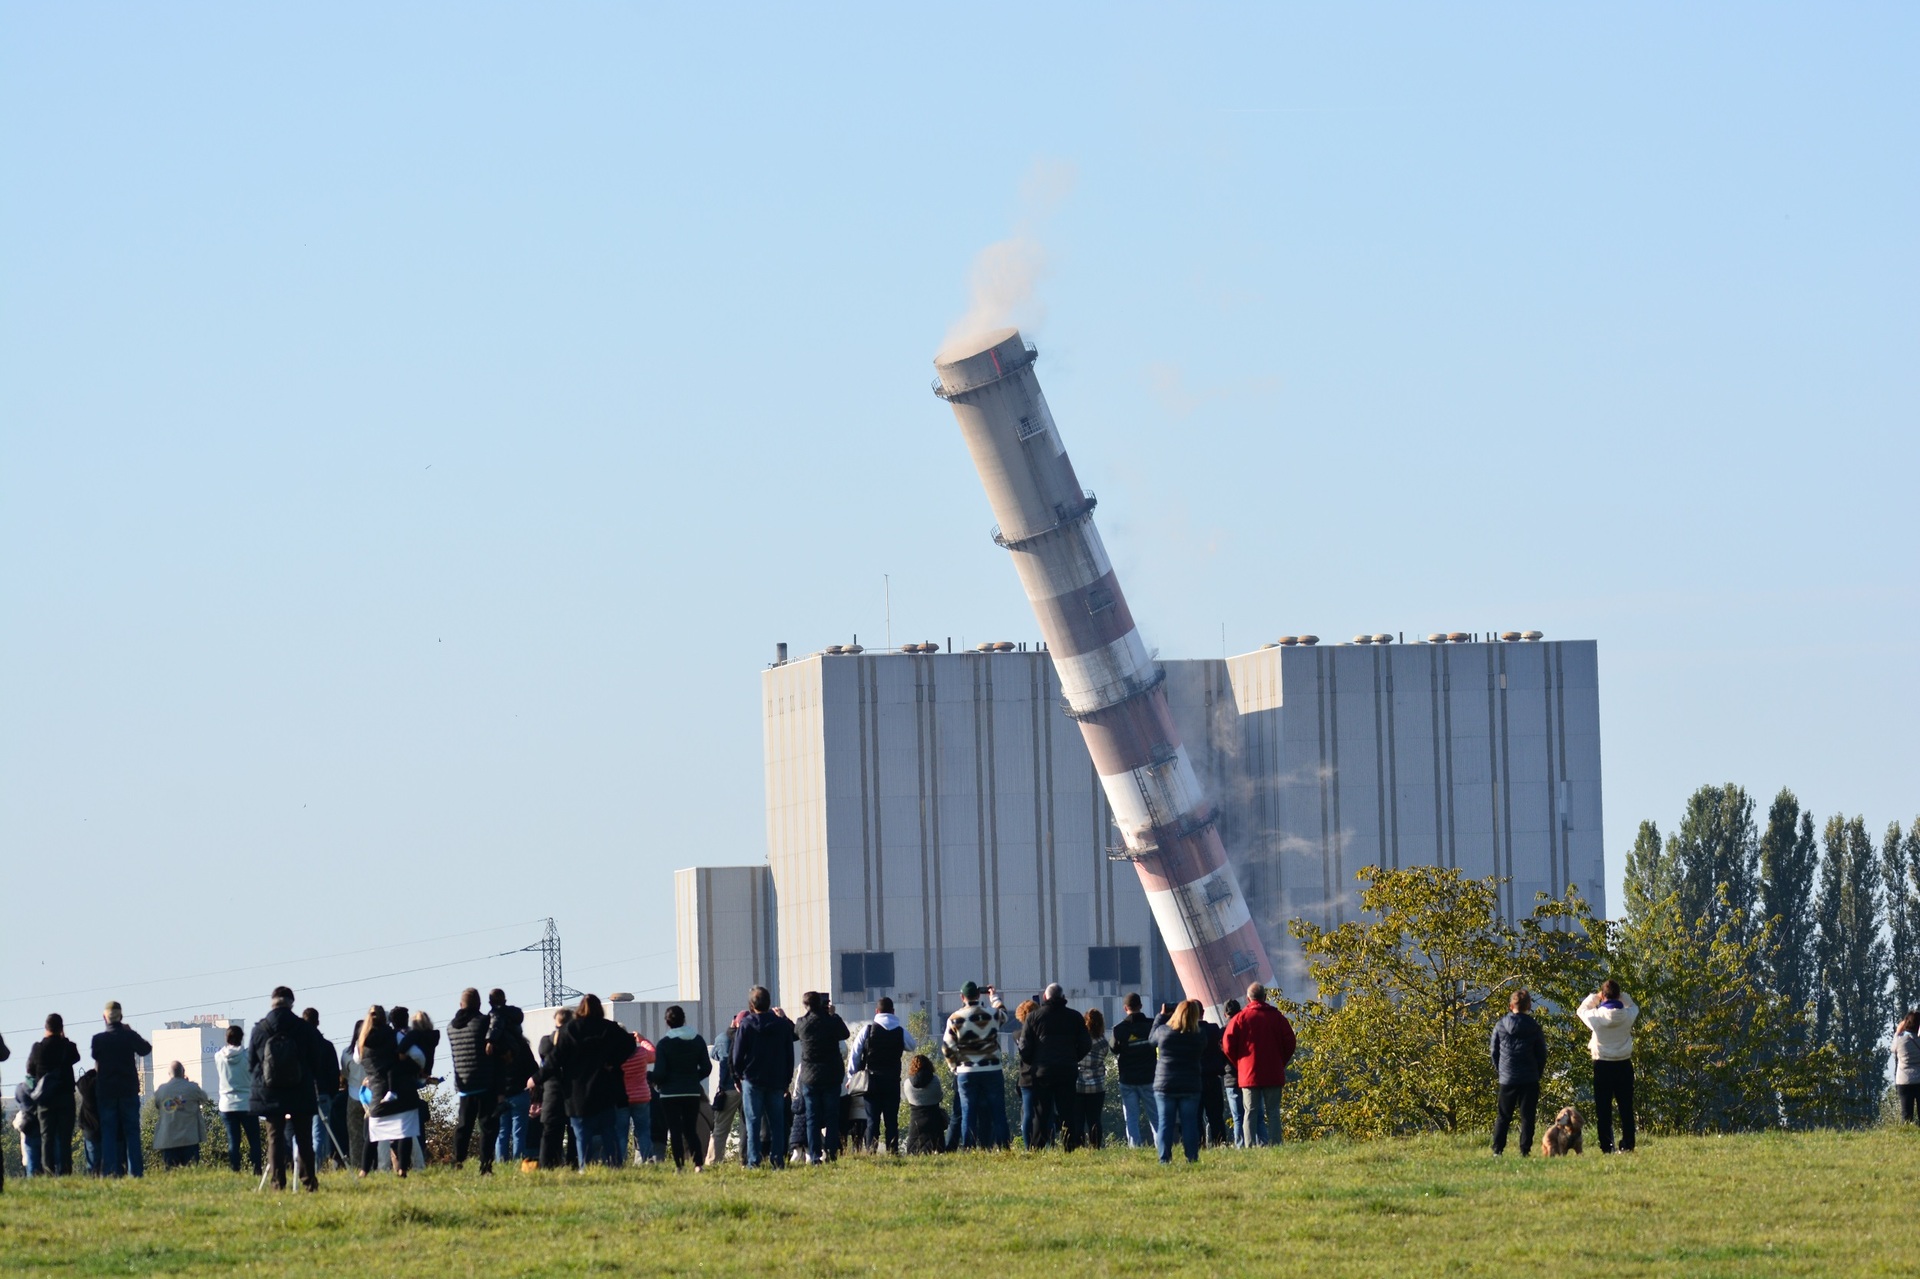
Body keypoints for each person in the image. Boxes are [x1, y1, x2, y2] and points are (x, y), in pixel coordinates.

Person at [548, 994, 634, 1169]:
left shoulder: (570, 1030)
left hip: (577, 1091)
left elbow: (554, 1060)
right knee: (609, 1132)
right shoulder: (609, 1028)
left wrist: (536, 1078)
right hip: (604, 1088)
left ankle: (583, 1166)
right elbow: (630, 1044)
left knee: (582, 1134)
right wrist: (613, 1061)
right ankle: (615, 1165)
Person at [249, 985, 322, 1191]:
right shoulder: (304, 1028)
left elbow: (252, 1064)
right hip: (300, 1090)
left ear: (272, 1002)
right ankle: (309, 1184)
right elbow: (316, 1061)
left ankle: (277, 1183)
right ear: (292, 1003)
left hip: (270, 1093)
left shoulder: (260, 1029)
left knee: (275, 1139)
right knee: (304, 1139)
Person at [1222, 983, 1296, 1146]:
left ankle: (1249, 1146)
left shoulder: (1240, 1019)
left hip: (1249, 1074)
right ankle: (1276, 1144)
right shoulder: (1277, 1017)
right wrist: (1280, 1061)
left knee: (1250, 1112)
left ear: (1248, 998)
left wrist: (1239, 1062)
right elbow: (1290, 1041)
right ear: (1265, 997)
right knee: (1273, 1112)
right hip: (1273, 1072)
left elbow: (1227, 1045)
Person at [1019, 984, 1091, 1151]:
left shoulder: (1033, 1017)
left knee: (1041, 1112)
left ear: (1045, 997)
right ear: (1063, 996)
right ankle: (1070, 1146)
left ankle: (1038, 1147)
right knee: (1067, 1111)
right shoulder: (1074, 1017)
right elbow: (1086, 1043)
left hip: (1042, 1071)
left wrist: (1034, 1061)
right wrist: (1074, 1057)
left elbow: (1023, 1047)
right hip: (1067, 1070)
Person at [731, 986, 796, 1169]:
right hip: (776, 1079)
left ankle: (754, 1161)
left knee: (752, 1123)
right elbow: (789, 1054)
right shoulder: (782, 1025)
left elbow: (737, 1055)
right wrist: (786, 1080)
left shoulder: (746, 1024)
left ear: (751, 1005)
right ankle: (778, 1160)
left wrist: (738, 1076)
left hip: (752, 1079)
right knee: (777, 1123)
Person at [358, 1003, 425, 1177]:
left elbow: (358, 1060)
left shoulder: (362, 1042)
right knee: (405, 1132)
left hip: (377, 1093)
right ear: (385, 1019)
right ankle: (402, 1168)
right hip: (403, 1091)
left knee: (373, 1137)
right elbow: (418, 1055)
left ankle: (364, 1171)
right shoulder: (396, 1036)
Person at [942, 981, 1011, 1150]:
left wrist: (954, 1068)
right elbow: (1004, 1014)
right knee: (998, 1112)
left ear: (962, 997)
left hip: (967, 1070)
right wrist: (993, 996)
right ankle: (1004, 1147)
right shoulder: (992, 1014)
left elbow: (947, 1047)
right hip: (992, 1069)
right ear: (979, 995)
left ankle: (969, 1147)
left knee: (968, 1112)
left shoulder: (955, 1018)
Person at [89, 1000, 151, 1177]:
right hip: (128, 1091)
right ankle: (136, 1172)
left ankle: (109, 1170)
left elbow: (95, 1055)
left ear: (104, 1018)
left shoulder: (98, 1040)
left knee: (108, 1132)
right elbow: (146, 1049)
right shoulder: (129, 1037)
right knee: (132, 1132)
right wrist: (129, 1031)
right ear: (121, 1017)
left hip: (107, 1092)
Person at [1577, 979, 1639, 1153]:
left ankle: (1607, 1146)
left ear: (1603, 996)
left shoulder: (1596, 1017)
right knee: (1626, 1107)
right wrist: (1622, 996)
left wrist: (1595, 997)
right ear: (1619, 996)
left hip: (1602, 1064)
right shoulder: (1627, 1016)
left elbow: (1581, 1010)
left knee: (1603, 1109)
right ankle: (1628, 1144)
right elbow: (1633, 1005)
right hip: (1623, 1064)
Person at [849, 997, 913, 1155]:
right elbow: (912, 1045)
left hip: (871, 1082)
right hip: (892, 1081)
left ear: (876, 1011)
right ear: (893, 1012)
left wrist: (852, 1076)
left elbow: (855, 1054)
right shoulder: (900, 1031)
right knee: (892, 1121)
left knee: (872, 1121)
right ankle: (893, 1152)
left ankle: (871, 1151)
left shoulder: (868, 1030)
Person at [1490, 989, 1548, 1156]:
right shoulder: (1534, 1027)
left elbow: (1494, 1051)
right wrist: (1538, 1072)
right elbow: (1541, 1053)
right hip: (1529, 1077)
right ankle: (1524, 1150)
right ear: (1528, 1006)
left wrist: (1501, 1070)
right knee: (1527, 1117)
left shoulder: (1501, 1025)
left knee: (1503, 1116)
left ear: (1511, 1006)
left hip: (1507, 1077)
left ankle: (1498, 1150)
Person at [653, 1004, 712, 1171]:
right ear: (683, 1019)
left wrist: (652, 1078)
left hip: (669, 1094)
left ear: (667, 1022)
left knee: (675, 1131)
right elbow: (707, 1068)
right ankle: (698, 1164)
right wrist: (693, 1078)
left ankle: (680, 1166)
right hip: (691, 1091)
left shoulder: (664, 1044)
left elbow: (660, 1073)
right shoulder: (698, 1040)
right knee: (690, 1129)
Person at [794, 991, 849, 1165]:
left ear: (805, 1005)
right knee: (832, 1116)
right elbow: (845, 1034)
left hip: (810, 1077)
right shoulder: (831, 1022)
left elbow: (795, 1032)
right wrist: (833, 1014)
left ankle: (815, 1155)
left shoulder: (801, 1023)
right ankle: (832, 1153)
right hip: (831, 1075)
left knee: (812, 1117)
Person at [446, 989, 498, 1173]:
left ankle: (457, 1162)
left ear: (461, 1005)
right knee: (488, 1127)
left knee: (463, 1127)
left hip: (464, 1085)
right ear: (479, 1004)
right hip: (484, 1082)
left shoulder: (451, 1027)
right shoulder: (483, 1023)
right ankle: (485, 1166)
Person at [1149, 1000, 1206, 1164]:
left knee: (1165, 1123)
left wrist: (1160, 1016)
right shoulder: (1199, 1035)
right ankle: (1192, 1157)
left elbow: (1151, 1040)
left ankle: (1164, 1159)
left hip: (1165, 1084)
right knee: (1189, 1123)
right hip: (1190, 1083)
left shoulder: (1163, 1032)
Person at [26, 1013, 81, 1176]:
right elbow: (76, 1057)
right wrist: (64, 1039)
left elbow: (30, 1069)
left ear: (46, 1028)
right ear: (61, 1028)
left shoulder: (38, 1048)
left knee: (46, 1137)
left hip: (45, 1100)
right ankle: (65, 1171)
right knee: (65, 1138)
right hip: (65, 1098)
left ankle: (48, 1171)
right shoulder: (68, 1047)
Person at [485, 990, 531, 1165]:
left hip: (500, 1093)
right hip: (520, 1091)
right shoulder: (522, 1045)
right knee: (519, 1132)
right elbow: (532, 1068)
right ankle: (519, 1163)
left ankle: (501, 1163)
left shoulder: (491, 1045)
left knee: (502, 1132)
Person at [1110, 993, 1158, 1149]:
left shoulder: (1119, 1029)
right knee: (1155, 1117)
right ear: (1141, 1006)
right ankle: (1161, 1145)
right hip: (1149, 1077)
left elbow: (1114, 1049)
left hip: (1128, 1079)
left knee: (1131, 1118)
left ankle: (1135, 1147)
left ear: (1125, 1008)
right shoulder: (1152, 1025)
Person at [214, 1024, 262, 1173]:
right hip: (246, 1103)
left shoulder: (218, 1056)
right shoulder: (247, 1056)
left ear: (226, 1038)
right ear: (242, 1038)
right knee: (254, 1141)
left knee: (233, 1141)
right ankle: (257, 1170)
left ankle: (235, 1170)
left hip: (227, 1104)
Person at [534, 1009, 574, 1170]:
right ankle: (573, 1164)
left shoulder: (546, 1042)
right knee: (573, 1133)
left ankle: (547, 1165)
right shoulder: (574, 1042)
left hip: (551, 1092)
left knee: (550, 1134)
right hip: (572, 1092)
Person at [151, 1061, 209, 1168]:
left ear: (169, 1074)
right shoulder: (192, 1088)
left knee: (171, 1175)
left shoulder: (162, 1090)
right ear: (183, 1072)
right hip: (190, 1139)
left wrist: (174, 1102)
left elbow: (157, 1105)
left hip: (168, 1140)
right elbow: (204, 1098)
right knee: (192, 1173)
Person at [616, 1024, 658, 1165]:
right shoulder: (640, 1052)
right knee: (643, 1130)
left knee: (621, 1132)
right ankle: (648, 1159)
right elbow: (654, 1054)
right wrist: (642, 1039)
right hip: (642, 1097)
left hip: (622, 1097)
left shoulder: (616, 1055)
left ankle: (620, 1162)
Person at [1077, 1008, 1111, 1149]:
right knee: (1095, 1119)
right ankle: (1095, 1145)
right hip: (1097, 1085)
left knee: (1078, 1119)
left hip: (1078, 1084)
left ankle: (1079, 1146)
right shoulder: (1103, 1042)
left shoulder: (1079, 1040)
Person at [1198, 1008, 1230, 1147]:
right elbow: (1222, 1050)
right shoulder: (1213, 1029)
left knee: (1195, 1117)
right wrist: (1219, 1065)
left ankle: (1200, 1145)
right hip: (1212, 1077)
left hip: (1194, 1079)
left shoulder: (1186, 1032)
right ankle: (1220, 1143)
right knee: (1216, 1116)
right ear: (1203, 1012)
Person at [1219, 999, 1245, 1144]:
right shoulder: (1247, 1029)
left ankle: (1240, 1144)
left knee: (1237, 1116)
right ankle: (1258, 1142)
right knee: (1253, 1114)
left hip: (1231, 1079)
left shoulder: (1223, 1032)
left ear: (1225, 1015)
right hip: (1249, 1076)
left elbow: (1221, 1057)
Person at [1894, 1011, 1920, 1124]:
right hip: (1919, 1079)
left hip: (1904, 1080)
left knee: (1906, 1113)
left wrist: (1898, 1032)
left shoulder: (1900, 1041)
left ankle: (1906, 1131)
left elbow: (1892, 1049)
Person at [76, 1067, 101, 1174]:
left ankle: (94, 1176)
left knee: (92, 1161)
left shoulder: (86, 1090)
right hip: (103, 1127)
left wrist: (92, 1072)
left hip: (89, 1128)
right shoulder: (104, 1088)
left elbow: (80, 1082)